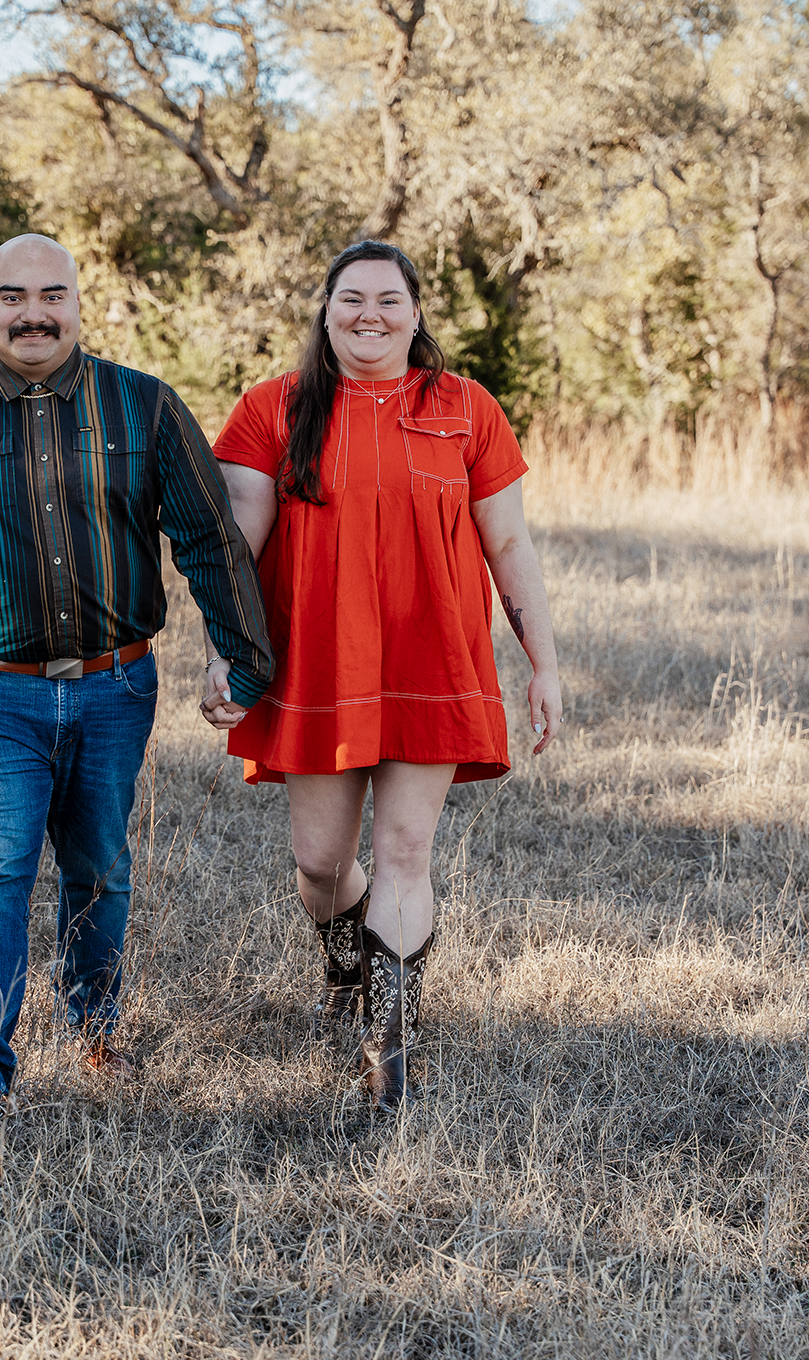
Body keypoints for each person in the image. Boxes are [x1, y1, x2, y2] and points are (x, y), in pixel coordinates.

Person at [0, 234, 273, 1120]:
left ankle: (92, 1025)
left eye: (52, 294)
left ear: (80, 301)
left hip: (115, 688)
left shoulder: (146, 407)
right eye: (13, 296)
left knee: (100, 868)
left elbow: (209, 539)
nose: (33, 313)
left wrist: (241, 655)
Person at [202, 240, 562, 1110]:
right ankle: (345, 958)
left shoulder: (465, 408)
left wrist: (543, 664)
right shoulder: (273, 409)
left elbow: (507, 544)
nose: (370, 314)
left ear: (414, 312)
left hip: (432, 657)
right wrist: (225, 646)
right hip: (315, 664)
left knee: (404, 851)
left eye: (389, 300)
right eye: (352, 299)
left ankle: (387, 1050)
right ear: (325, 311)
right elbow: (236, 539)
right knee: (321, 861)